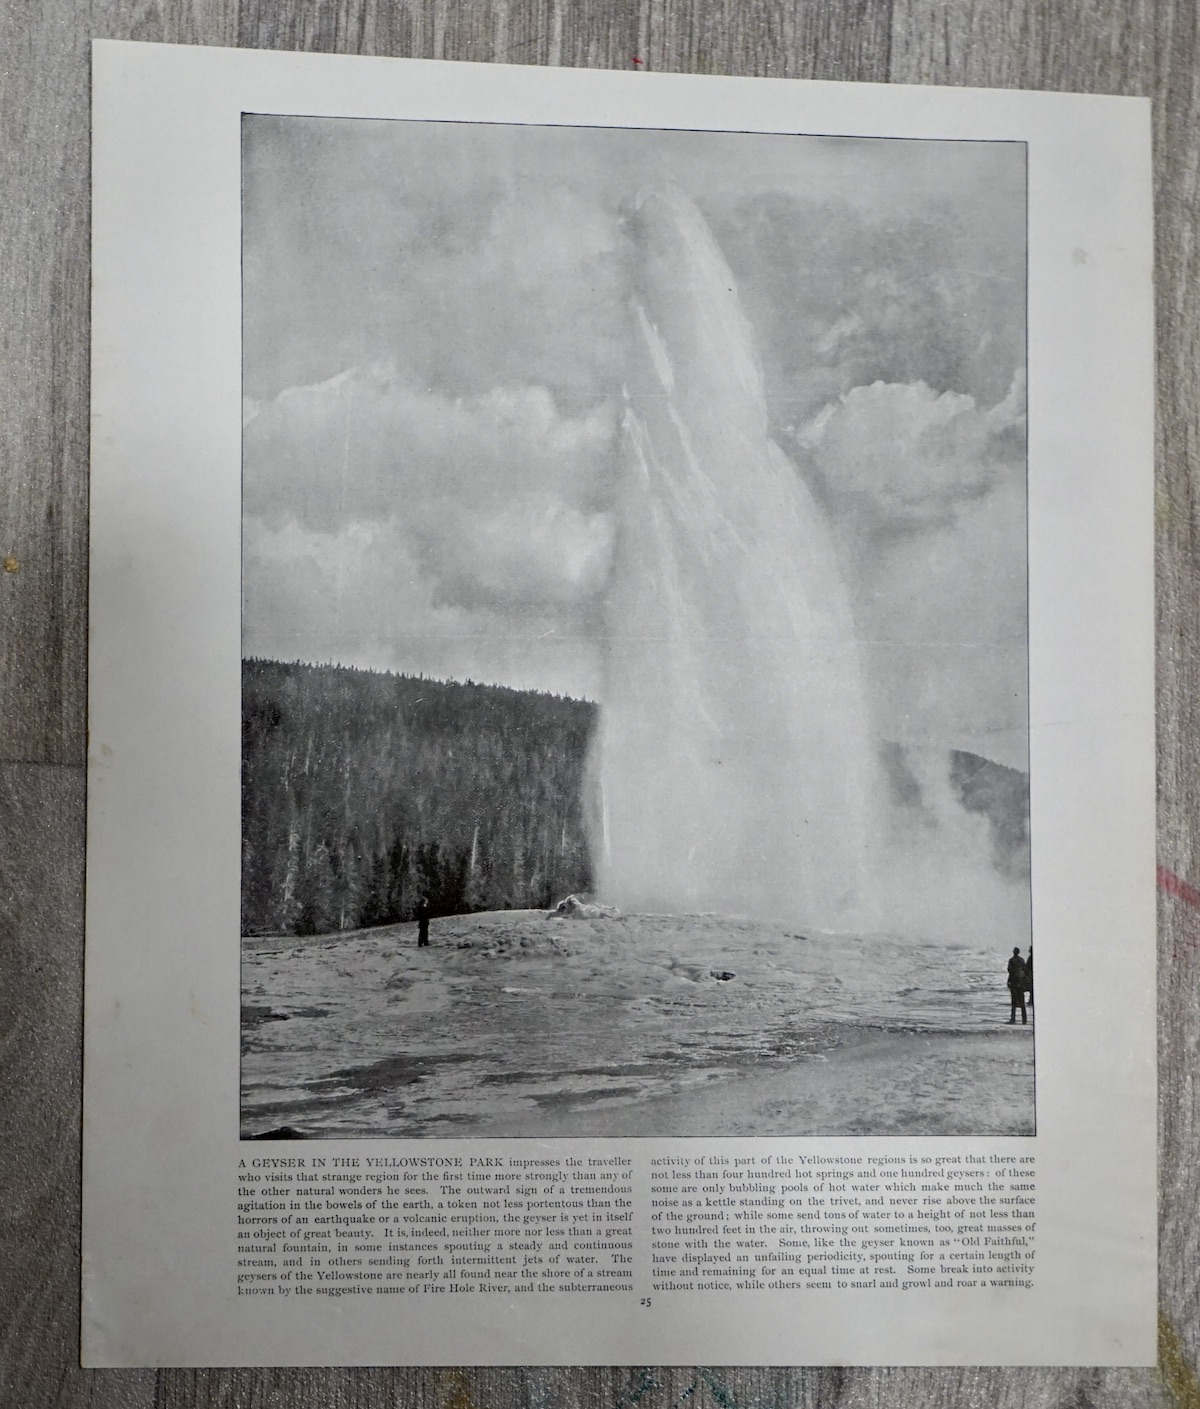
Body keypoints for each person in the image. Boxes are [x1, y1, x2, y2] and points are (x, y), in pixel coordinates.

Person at [1006, 946, 1027, 1024]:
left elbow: (1009, 970)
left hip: (1014, 983)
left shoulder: (1011, 960)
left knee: (1014, 1003)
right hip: (1021, 983)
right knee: (1022, 1003)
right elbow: (1025, 970)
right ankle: (1024, 1020)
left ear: (1014, 952)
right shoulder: (1022, 960)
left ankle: (1013, 1019)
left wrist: (1009, 981)